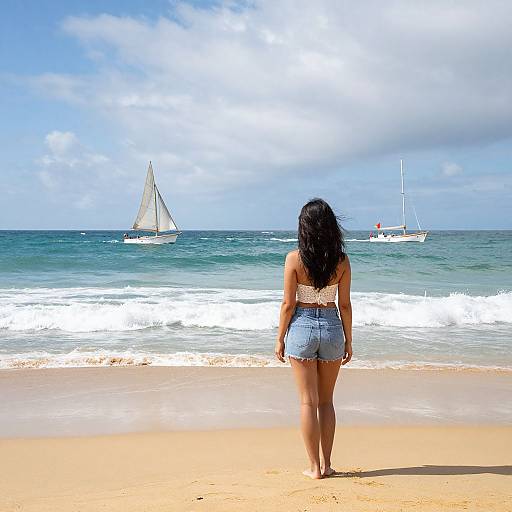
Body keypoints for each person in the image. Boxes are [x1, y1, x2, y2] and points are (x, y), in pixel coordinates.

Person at [275, 198, 352, 479]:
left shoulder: (294, 259)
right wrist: (349, 339)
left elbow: (288, 304)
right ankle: (328, 464)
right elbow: (344, 305)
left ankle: (314, 468)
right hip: (332, 328)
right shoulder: (342, 260)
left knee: (307, 402)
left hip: (302, 328)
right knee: (326, 402)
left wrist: (280, 338)